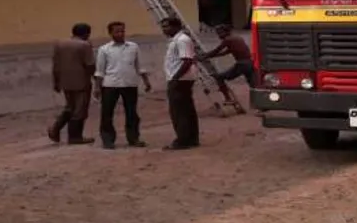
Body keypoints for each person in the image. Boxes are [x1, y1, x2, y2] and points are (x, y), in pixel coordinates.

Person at [93, 21, 152, 149]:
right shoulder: (104, 49)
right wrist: (97, 87)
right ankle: (108, 140)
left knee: (132, 113)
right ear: (110, 33)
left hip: (130, 83)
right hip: (110, 84)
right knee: (107, 113)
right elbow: (100, 70)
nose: (120, 34)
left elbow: (140, 66)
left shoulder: (133, 47)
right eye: (117, 31)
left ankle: (133, 138)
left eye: (122, 31)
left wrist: (146, 81)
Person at [49, 23, 96, 145]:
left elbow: (56, 65)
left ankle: (56, 128)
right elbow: (90, 65)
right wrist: (97, 80)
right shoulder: (85, 45)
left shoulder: (59, 44)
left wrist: (56, 81)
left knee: (70, 107)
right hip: (81, 81)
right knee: (80, 109)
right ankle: (75, 136)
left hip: (65, 81)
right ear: (87, 33)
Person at [160, 16, 200, 151]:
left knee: (178, 111)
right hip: (181, 79)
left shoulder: (182, 40)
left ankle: (182, 140)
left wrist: (175, 78)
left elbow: (187, 61)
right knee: (187, 110)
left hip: (180, 80)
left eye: (167, 26)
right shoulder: (177, 40)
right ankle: (191, 138)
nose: (164, 29)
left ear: (176, 26)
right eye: (163, 27)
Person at [201, 24, 256, 89]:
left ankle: (228, 97)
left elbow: (217, 50)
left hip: (242, 64)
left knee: (219, 77)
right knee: (253, 83)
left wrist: (204, 57)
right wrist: (208, 55)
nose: (218, 35)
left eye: (220, 32)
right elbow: (224, 53)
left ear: (226, 32)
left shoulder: (228, 40)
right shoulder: (237, 38)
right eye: (217, 33)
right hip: (250, 63)